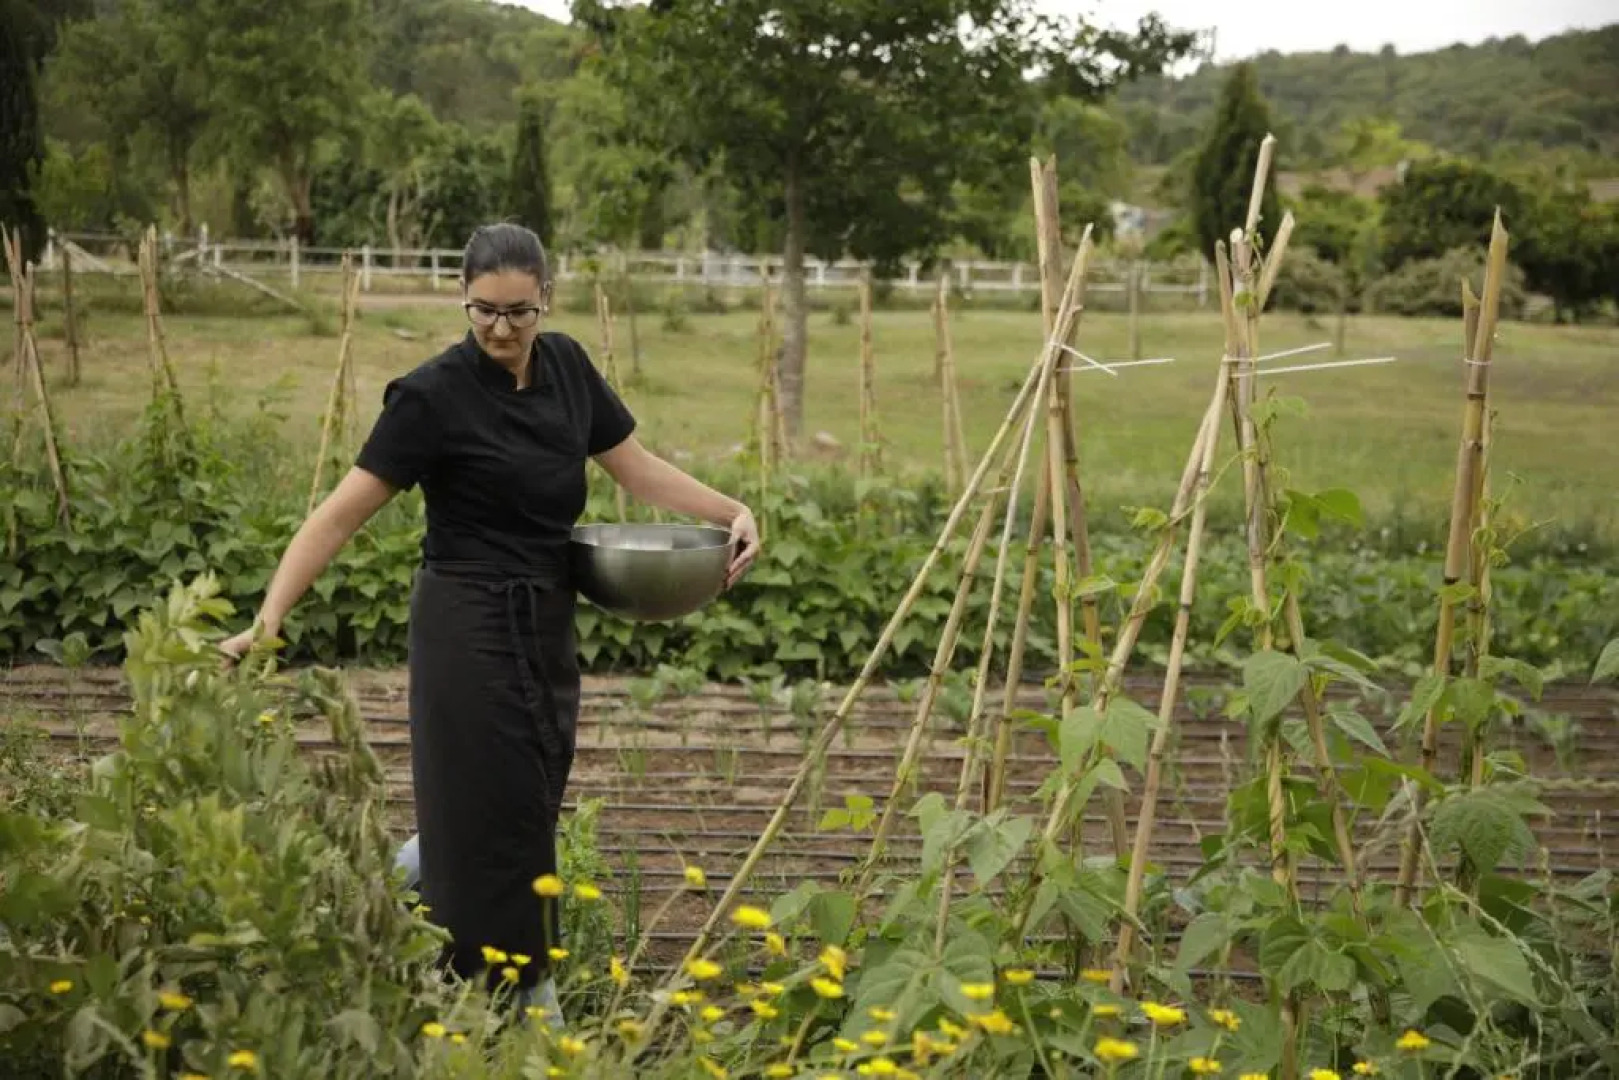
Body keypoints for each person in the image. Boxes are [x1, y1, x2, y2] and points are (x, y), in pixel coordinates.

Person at [221, 222, 760, 1018]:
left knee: (522, 799)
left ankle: (354, 906)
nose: (501, 330)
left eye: (519, 312)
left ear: (546, 298)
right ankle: (524, 1000)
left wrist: (731, 509)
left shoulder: (569, 368)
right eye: (483, 312)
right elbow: (336, 517)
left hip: (543, 617)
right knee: (505, 819)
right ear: (463, 301)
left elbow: (634, 467)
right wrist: (268, 622)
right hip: (465, 622)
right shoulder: (430, 396)